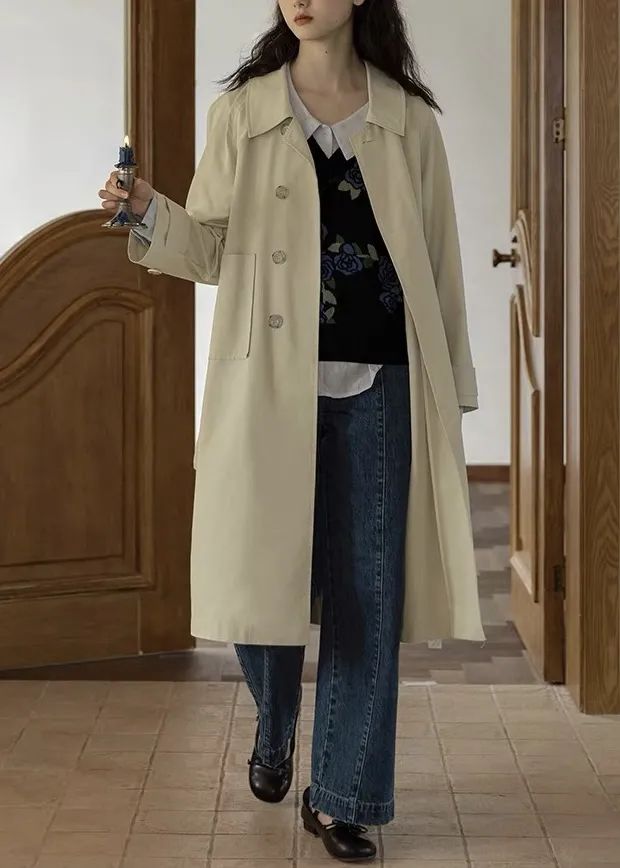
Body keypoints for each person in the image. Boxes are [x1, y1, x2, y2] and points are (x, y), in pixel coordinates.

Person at [99, 0, 482, 862]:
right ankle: (275, 722)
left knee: (367, 595)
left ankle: (344, 798)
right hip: (265, 383)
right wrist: (149, 209)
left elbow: (441, 259)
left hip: (381, 383)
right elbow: (209, 248)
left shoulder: (408, 120)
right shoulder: (244, 112)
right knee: (259, 576)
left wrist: (453, 386)